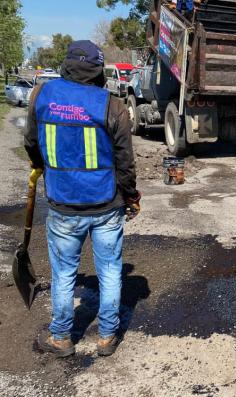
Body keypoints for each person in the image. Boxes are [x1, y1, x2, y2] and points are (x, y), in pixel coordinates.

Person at [24, 40, 140, 357]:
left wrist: (41, 167)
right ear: (98, 70)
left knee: (63, 275)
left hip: (63, 205)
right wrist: (131, 195)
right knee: (110, 272)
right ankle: (106, 337)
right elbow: (124, 161)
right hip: (106, 204)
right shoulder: (112, 105)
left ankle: (61, 337)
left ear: (66, 65)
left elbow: (32, 143)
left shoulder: (41, 96)